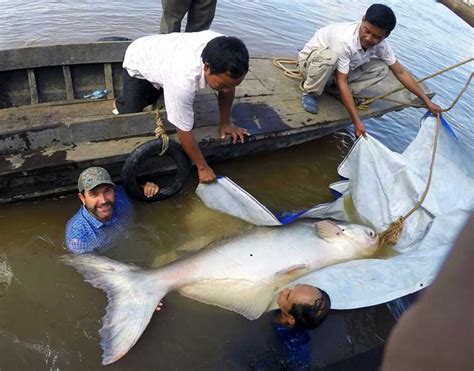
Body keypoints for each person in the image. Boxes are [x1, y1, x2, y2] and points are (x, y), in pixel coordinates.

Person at [114, 31, 250, 183]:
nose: (227, 90)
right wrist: (203, 167)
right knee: (130, 115)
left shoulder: (225, 48)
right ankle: (120, 103)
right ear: (206, 67)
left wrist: (225, 123)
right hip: (139, 57)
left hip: (168, 54)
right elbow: (183, 130)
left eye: (234, 85)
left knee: (176, 95)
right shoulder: (183, 80)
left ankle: (163, 88)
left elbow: (229, 86)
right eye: (223, 85)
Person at [298, 4, 442, 137]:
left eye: (377, 37)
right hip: (312, 66)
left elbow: (401, 73)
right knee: (330, 57)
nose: (369, 38)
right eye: (367, 31)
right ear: (362, 20)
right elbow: (342, 80)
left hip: (335, 72)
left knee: (381, 68)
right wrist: (357, 122)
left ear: (386, 36)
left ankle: (334, 90)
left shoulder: (382, 46)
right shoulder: (344, 39)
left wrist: (427, 102)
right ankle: (311, 92)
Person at [65, 167, 159, 254]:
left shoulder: (120, 195)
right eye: (94, 194)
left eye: (107, 191)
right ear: (82, 198)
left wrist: (147, 188)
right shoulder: (78, 237)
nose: (103, 200)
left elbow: (132, 189)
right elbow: (92, 269)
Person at [272, 284, 331, 368]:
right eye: (296, 286)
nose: (285, 290)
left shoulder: (292, 344)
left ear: (291, 319)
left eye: (288, 295)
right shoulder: (297, 316)